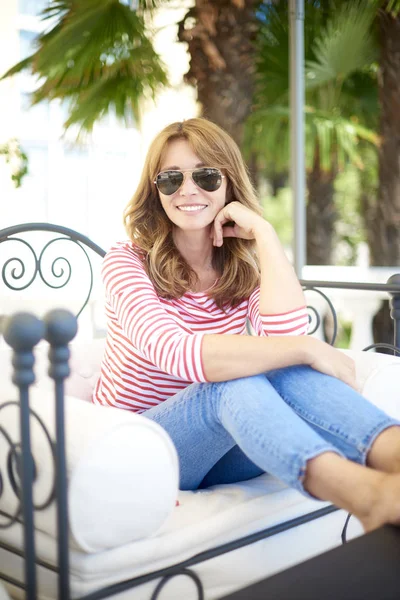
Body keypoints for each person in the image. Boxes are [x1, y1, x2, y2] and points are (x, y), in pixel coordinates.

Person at [93, 117, 400, 533]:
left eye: (205, 176)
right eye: (170, 179)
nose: (188, 190)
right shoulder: (126, 262)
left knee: (278, 364)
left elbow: (285, 341)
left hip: (219, 450)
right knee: (234, 378)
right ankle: (362, 494)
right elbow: (176, 352)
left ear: (229, 183)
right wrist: (311, 348)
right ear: (154, 191)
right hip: (144, 448)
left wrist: (265, 235)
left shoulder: (241, 268)